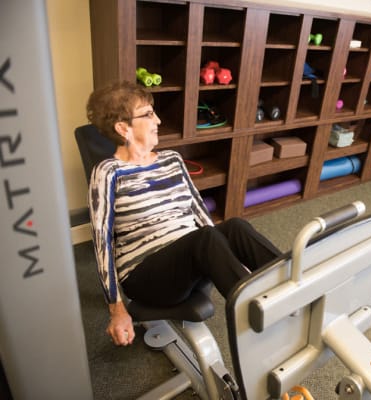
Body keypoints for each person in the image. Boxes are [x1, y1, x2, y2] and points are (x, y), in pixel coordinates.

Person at [86, 81, 282, 346]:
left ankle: (294, 281)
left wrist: (230, 259)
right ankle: (261, 315)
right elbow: (102, 243)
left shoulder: (172, 159)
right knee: (205, 239)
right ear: (123, 128)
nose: (157, 119)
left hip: (191, 257)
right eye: (147, 114)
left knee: (234, 226)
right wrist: (117, 309)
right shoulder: (108, 172)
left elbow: (200, 213)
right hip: (146, 274)